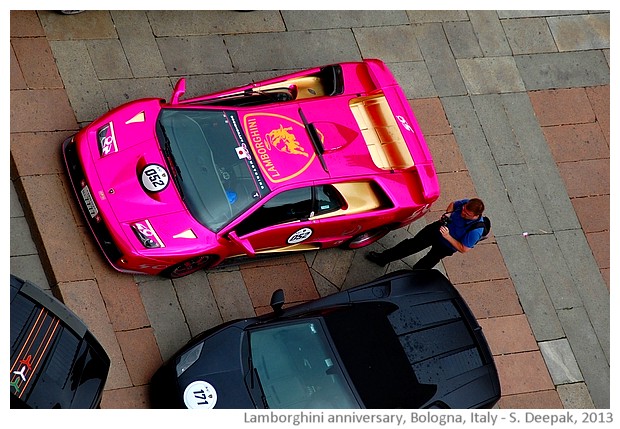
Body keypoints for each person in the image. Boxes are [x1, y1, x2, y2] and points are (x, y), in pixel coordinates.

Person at [366, 198, 486, 269]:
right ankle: (383, 258)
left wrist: (447, 237)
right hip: (436, 229)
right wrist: (448, 214)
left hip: (446, 246)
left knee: (428, 261)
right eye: (464, 210)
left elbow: (463, 248)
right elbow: (453, 204)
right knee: (411, 245)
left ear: (475, 216)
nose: (463, 213)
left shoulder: (476, 231)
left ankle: (411, 279)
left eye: (467, 215)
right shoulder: (466, 203)